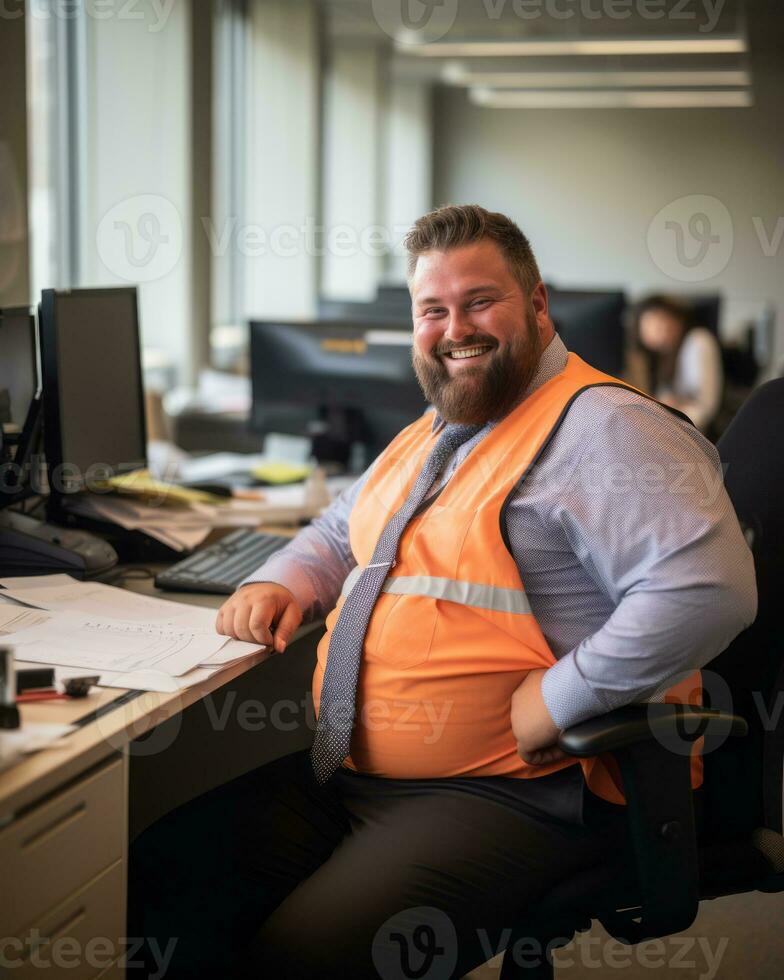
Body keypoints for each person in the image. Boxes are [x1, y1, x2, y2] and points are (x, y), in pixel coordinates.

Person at [129, 205, 756, 979]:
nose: (454, 326)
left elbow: (711, 590)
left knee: (302, 959)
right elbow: (342, 526)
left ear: (537, 305)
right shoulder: (443, 425)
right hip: (358, 778)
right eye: (433, 310)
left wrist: (562, 696)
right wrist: (282, 577)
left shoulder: (607, 429)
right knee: (157, 878)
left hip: (519, 790)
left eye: (480, 301)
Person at [635, 294, 723, 433]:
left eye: (661, 321)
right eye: (648, 327)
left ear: (677, 318)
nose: (658, 331)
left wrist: (669, 420)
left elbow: (706, 408)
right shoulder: (663, 355)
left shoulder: (698, 341)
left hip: (698, 434)